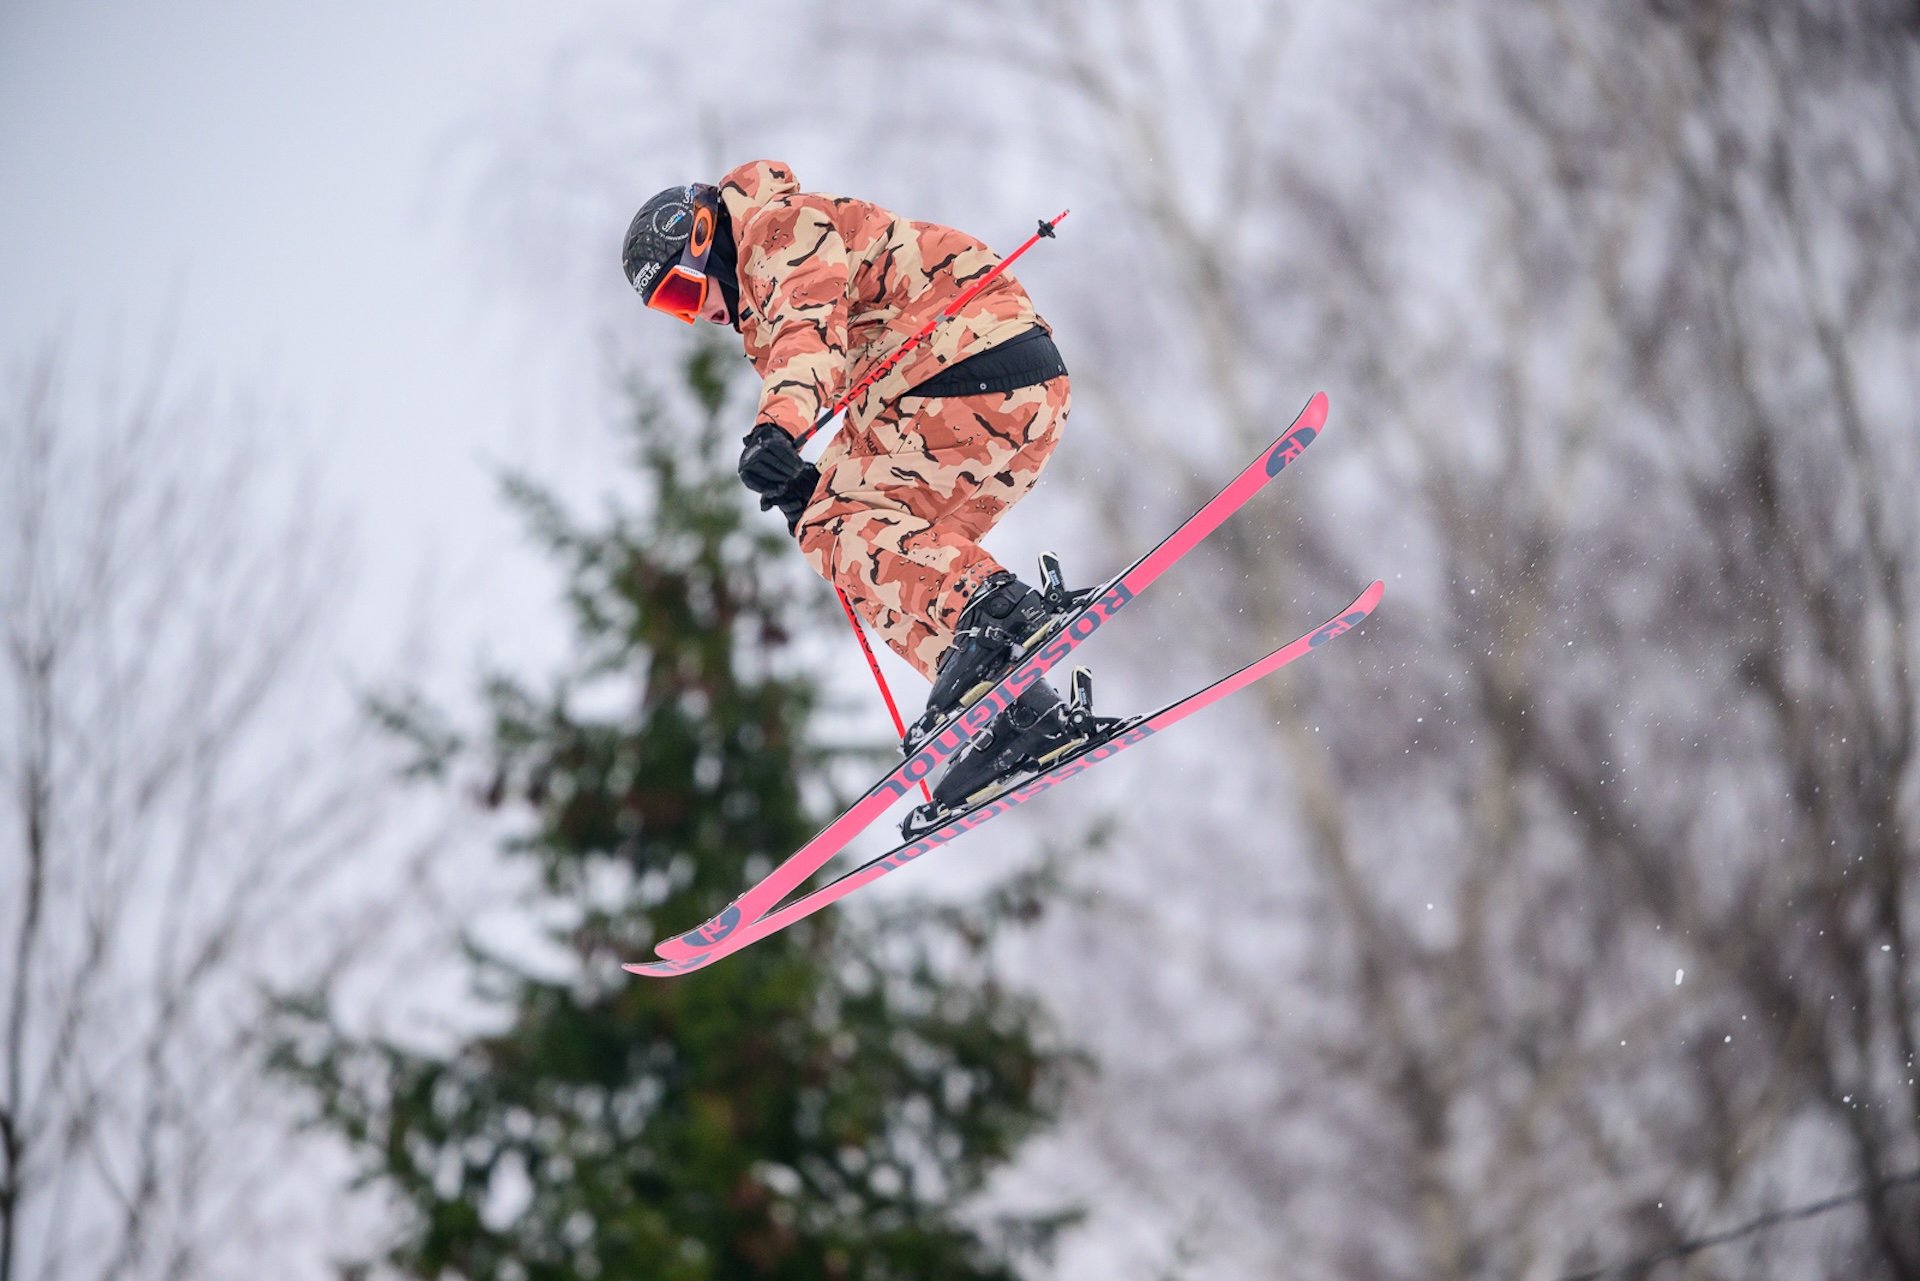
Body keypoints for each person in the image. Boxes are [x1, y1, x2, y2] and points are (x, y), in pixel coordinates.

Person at [621, 160, 1090, 810]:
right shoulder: (764, 276)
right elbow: (820, 349)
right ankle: (1013, 708)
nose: (699, 314)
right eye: (676, 310)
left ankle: (994, 611)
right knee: (831, 527)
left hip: (966, 363)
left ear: (703, 239)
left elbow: (805, 338)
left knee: (842, 519)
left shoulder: (777, 231)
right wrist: (800, 487)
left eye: (683, 291)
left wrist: (776, 431)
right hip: (1006, 391)